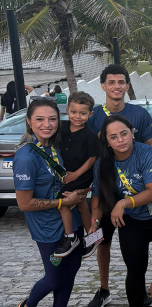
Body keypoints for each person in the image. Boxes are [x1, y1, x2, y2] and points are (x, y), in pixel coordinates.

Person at [14, 99, 89, 307]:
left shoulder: (54, 147)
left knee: (72, 269)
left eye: (52, 119)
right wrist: (61, 203)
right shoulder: (26, 157)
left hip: (70, 219)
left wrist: (78, 192)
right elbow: (24, 204)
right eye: (39, 119)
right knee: (54, 278)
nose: (47, 124)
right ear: (29, 122)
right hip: (47, 226)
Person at [89, 115, 152, 307]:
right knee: (135, 269)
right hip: (131, 222)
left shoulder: (146, 152)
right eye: (113, 137)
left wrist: (122, 203)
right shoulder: (103, 163)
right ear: (107, 141)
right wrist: (93, 223)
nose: (120, 140)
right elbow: (98, 196)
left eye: (123, 134)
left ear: (132, 133)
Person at [54, 91, 101, 258]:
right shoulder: (62, 128)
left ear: (90, 114)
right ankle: (93, 237)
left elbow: (92, 159)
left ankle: (70, 237)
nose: (77, 117)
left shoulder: (90, 135)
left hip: (82, 175)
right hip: (65, 173)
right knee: (81, 204)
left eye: (83, 113)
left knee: (63, 201)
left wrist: (75, 175)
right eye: (73, 112)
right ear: (67, 110)